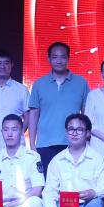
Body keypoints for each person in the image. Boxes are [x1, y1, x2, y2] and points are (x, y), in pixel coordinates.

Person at [28, 42, 90, 175]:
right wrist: (32, 145)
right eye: (55, 57)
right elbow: (33, 115)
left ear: (68, 58)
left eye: (62, 57)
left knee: (72, 183)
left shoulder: (81, 83)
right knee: (47, 183)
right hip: (45, 144)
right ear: (49, 59)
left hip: (74, 143)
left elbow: (86, 116)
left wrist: (87, 141)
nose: (59, 61)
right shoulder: (39, 84)